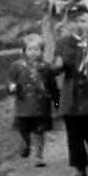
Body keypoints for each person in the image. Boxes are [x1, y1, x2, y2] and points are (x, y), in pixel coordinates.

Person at [52, 3, 88, 176]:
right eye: (79, 21)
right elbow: (58, 66)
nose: (83, 25)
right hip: (73, 94)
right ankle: (79, 166)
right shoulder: (64, 43)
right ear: (71, 23)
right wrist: (57, 65)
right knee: (74, 133)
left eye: (86, 21)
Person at [6, 33, 58, 167]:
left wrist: (56, 101)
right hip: (23, 105)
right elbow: (10, 80)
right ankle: (26, 144)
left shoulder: (46, 68)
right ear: (24, 51)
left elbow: (52, 86)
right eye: (30, 49)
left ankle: (39, 156)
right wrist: (11, 86)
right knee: (24, 129)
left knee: (40, 132)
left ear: (42, 51)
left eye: (37, 49)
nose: (33, 52)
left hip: (41, 106)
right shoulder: (17, 66)